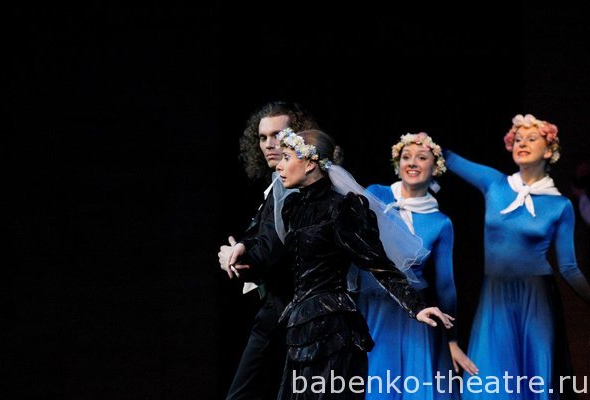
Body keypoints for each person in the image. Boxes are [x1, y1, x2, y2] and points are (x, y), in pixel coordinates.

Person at [228, 128, 455, 400]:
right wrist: (243, 250)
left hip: (332, 329)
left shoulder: (342, 209)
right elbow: (273, 251)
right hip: (299, 325)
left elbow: (377, 263)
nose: (279, 166)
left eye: (287, 158)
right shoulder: (292, 207)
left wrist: (416, 306)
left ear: (310, 163)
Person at [443, 114, 590, 399]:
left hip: (536, 298)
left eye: (531, 139)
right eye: (518, 139)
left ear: (548, 150)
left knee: (534, 376)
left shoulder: (560, 205)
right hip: (495, 296)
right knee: (489, 376)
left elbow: (569, 268)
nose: (522, 143)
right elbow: (448, 158)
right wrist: (423, 143)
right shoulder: (495, 184)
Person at [351, 132, 477, 399]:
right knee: (376, 382)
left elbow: (446, 285)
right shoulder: (376, 194)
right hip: (374, 308)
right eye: (406, 157)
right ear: (397, 165)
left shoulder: (440, 222)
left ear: (436, 168)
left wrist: (452, 339)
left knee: (412, 386)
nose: (412, 162)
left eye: (421, 157)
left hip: (414, 315)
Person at [217, 101, 319, 400]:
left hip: (291, 311)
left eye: (277, 135)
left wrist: (236, 256)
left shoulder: (296, 186)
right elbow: (264, 237)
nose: (269, 144)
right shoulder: (281, 183)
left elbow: (272, 248)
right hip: (279, 309)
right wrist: (240, 248)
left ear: (298, 137)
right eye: (263, 137)